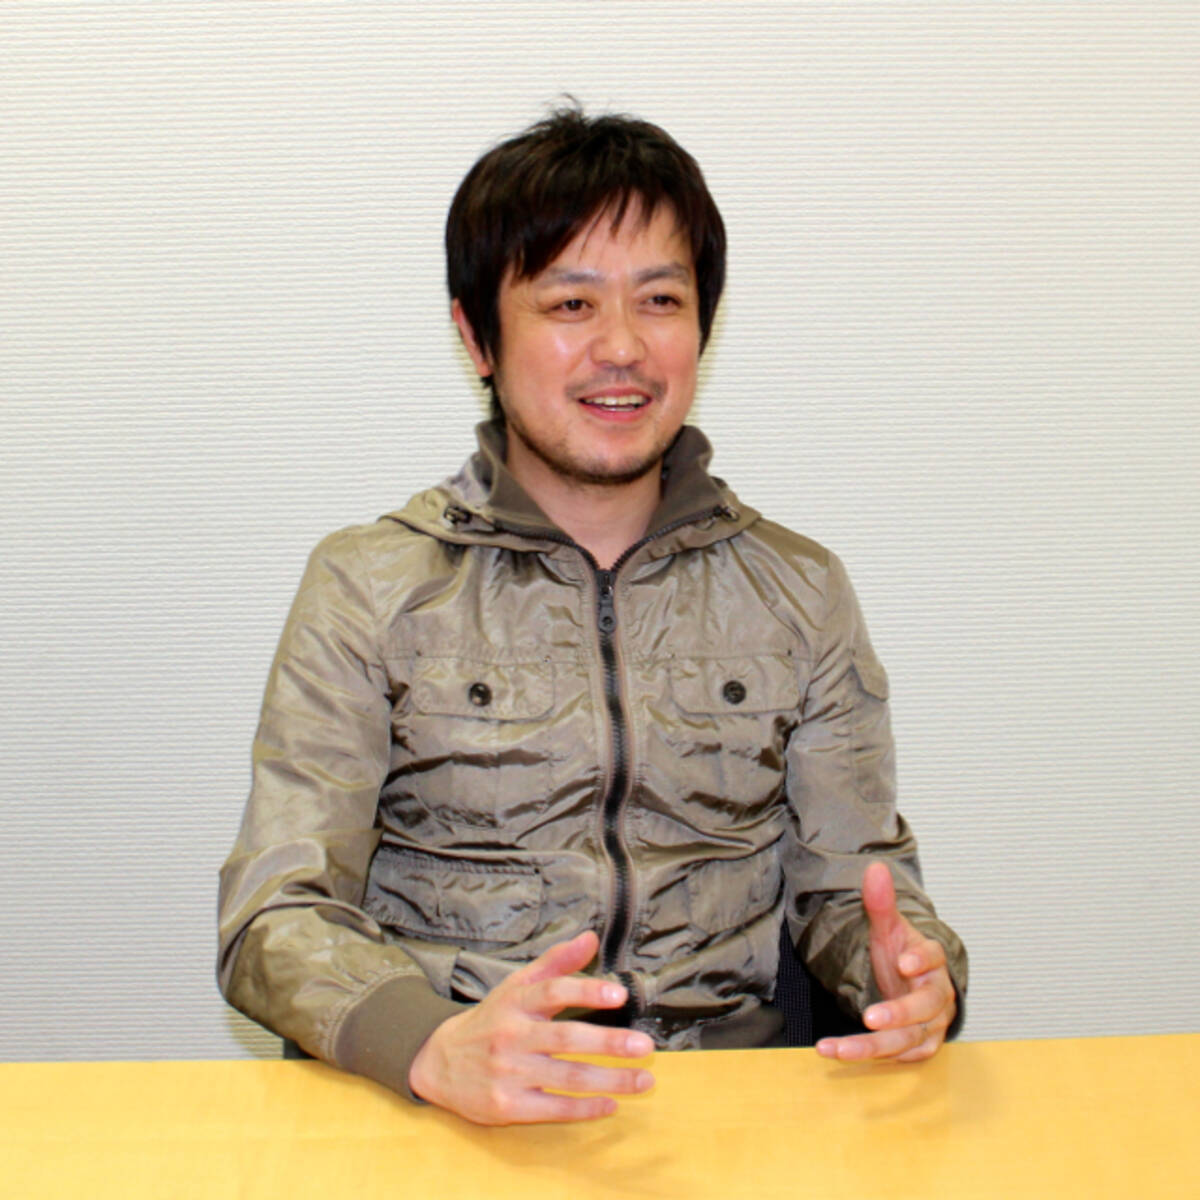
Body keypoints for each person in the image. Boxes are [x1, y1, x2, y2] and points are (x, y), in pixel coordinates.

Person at [217, 105, 967, 1126]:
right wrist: (426, 1045)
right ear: (477, 337)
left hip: (726, 1112)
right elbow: (275, 915)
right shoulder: (369, 585)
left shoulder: (800, 590)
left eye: (661, 300)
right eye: (571, 304)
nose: (623, 347)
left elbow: (853, 888)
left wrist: (906, 972)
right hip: (455, 1111)